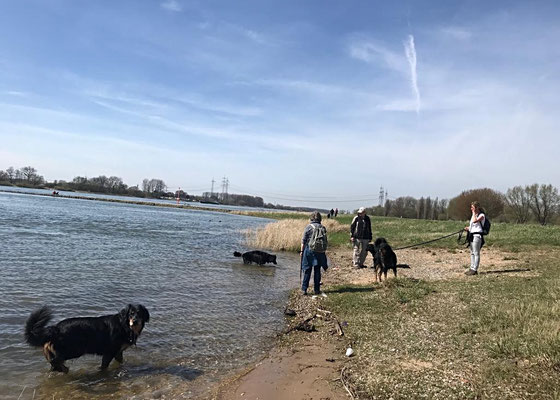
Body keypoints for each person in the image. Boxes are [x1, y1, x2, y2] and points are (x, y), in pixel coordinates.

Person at [300, 211, 328, 295]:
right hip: (320, 251)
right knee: (317, 270)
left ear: (311, 218)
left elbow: (303, 241)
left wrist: (301, 251)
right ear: (320, 218)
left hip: (309, 250)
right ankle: (316, 289)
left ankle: (304, 289)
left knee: (307, 270)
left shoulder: (309, 227)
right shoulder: (323, 227)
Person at [464, 201, 486, 276]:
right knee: (472, 252)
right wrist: (468, 228)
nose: (471, 209)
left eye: (472, 207)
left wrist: (473, 213)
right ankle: (472, 267)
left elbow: (475, 221)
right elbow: (473, 226)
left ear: (477, 208)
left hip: (477, 236)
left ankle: (475, 269)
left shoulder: (481, 215)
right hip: (472, 235)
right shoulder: (474, 215)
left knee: (476, 253)